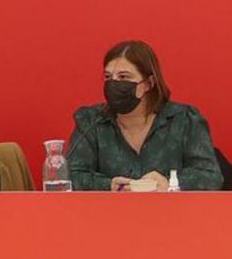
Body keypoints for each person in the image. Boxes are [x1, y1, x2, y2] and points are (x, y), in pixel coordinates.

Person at [68, 40, 223, 191]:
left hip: (172, 213)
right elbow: (70, 176)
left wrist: (169, 183)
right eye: (108, 77)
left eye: (124, 77)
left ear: (149, 83)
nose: (113, 84)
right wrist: (108, 185)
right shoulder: (91, 121)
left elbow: (210, 176)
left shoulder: (184, 120)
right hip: (108, 214)